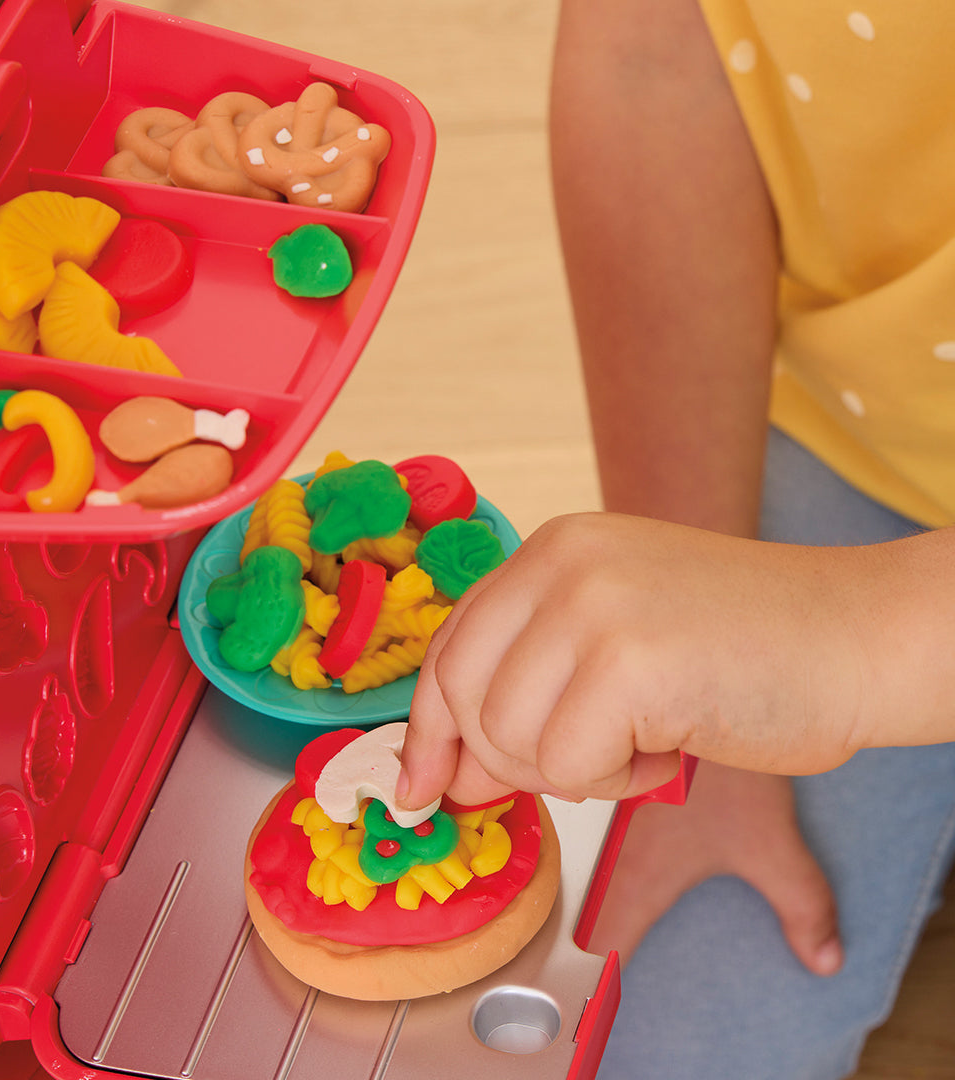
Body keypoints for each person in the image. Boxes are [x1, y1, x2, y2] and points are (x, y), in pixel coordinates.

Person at [398, 1, 955, 1076]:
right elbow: (652, 49)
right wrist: (714, 686)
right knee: (650, 1041)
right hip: (876, 438)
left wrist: (870, 647)